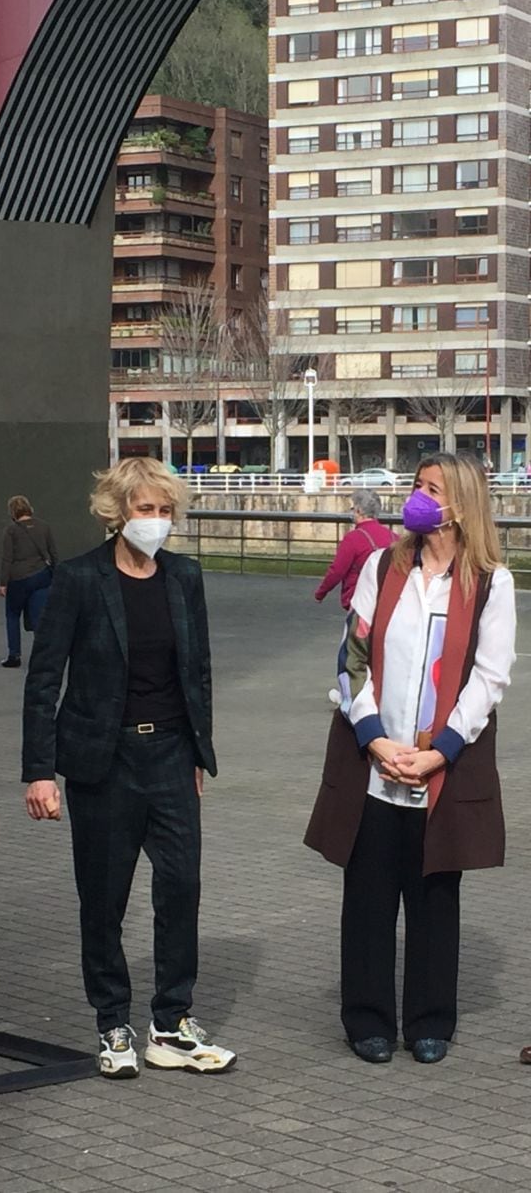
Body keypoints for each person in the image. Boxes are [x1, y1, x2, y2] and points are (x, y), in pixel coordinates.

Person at [22, 456, 236, 1078]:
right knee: (104, 898)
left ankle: (171, 1024)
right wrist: (40, 771)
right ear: (118, 513)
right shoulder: (79, 579)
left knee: (181, 888)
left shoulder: (184, 577)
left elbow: (197, 671)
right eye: (147, 510)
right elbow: (43, 680)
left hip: (172, 755)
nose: (158, 522)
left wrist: (200, 752)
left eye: (166, 511)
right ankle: (112, 1021)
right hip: (103, 761)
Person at [305, 452, 515, 1065]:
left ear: (461, 504)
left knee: (433, 898)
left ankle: (429, 1021)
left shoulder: (492, 584)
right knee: (367, 894)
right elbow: (351, 656)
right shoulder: (382, 566)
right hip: (375, 761)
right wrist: (373, 737)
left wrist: (438, 752)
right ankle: (367, 1018)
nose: (416, 498)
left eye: (430, 489)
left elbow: (489, 679)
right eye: (417, 486)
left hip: (441, 769)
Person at [0, 494, 57, 668]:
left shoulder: (11, 530)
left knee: (12, 615)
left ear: (12, 512)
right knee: (40, 618)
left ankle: (14, 655)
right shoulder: (44, 527)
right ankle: (43, 656)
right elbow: (53, 553)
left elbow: (7, 559)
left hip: (18, 579)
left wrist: (3, 583)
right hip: (41, 577)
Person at [314, 489, 396, 611]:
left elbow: (337, 571)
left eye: (352, 509)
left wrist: (321, 593)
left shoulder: (352, 539)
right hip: (389, 602)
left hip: (361, 602)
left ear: (358, 511)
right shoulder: (394, 537)